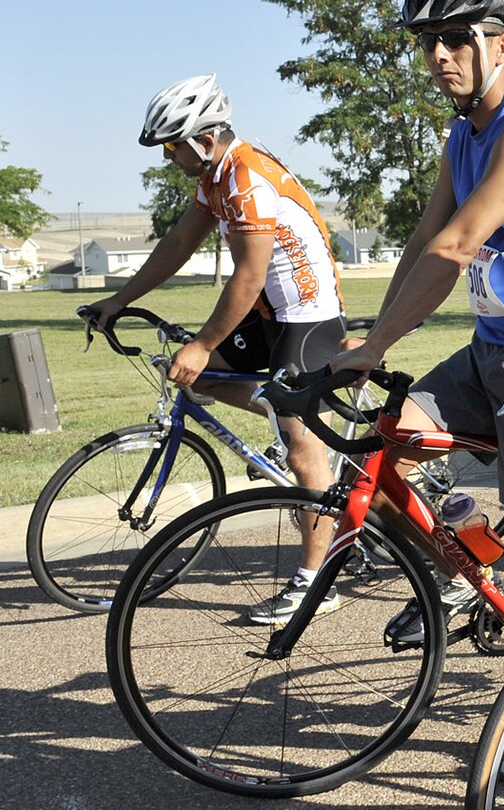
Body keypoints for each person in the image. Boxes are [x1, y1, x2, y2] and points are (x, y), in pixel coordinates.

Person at [326, 0, 504, 782]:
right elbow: (425, 236)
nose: (439, 56)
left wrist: (374, 346)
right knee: (388, 447)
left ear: (501, 46)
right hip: (491, 349)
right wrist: (363, 331)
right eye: (429, 43)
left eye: (456, 40)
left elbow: (456, 251)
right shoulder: (461, 138)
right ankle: (472, 559)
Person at [85, 74, 348, 623]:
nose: (169, 158)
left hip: (304, 315)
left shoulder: (247, 176)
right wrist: (118, 299)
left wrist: (204, 343)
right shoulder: (216, 177)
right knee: (202, 380)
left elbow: (248, 276)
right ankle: (295, 416)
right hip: (268, 314)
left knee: (301, 446)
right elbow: (179, 243)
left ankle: (315, 582)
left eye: (173, 146)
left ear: (203, 139)